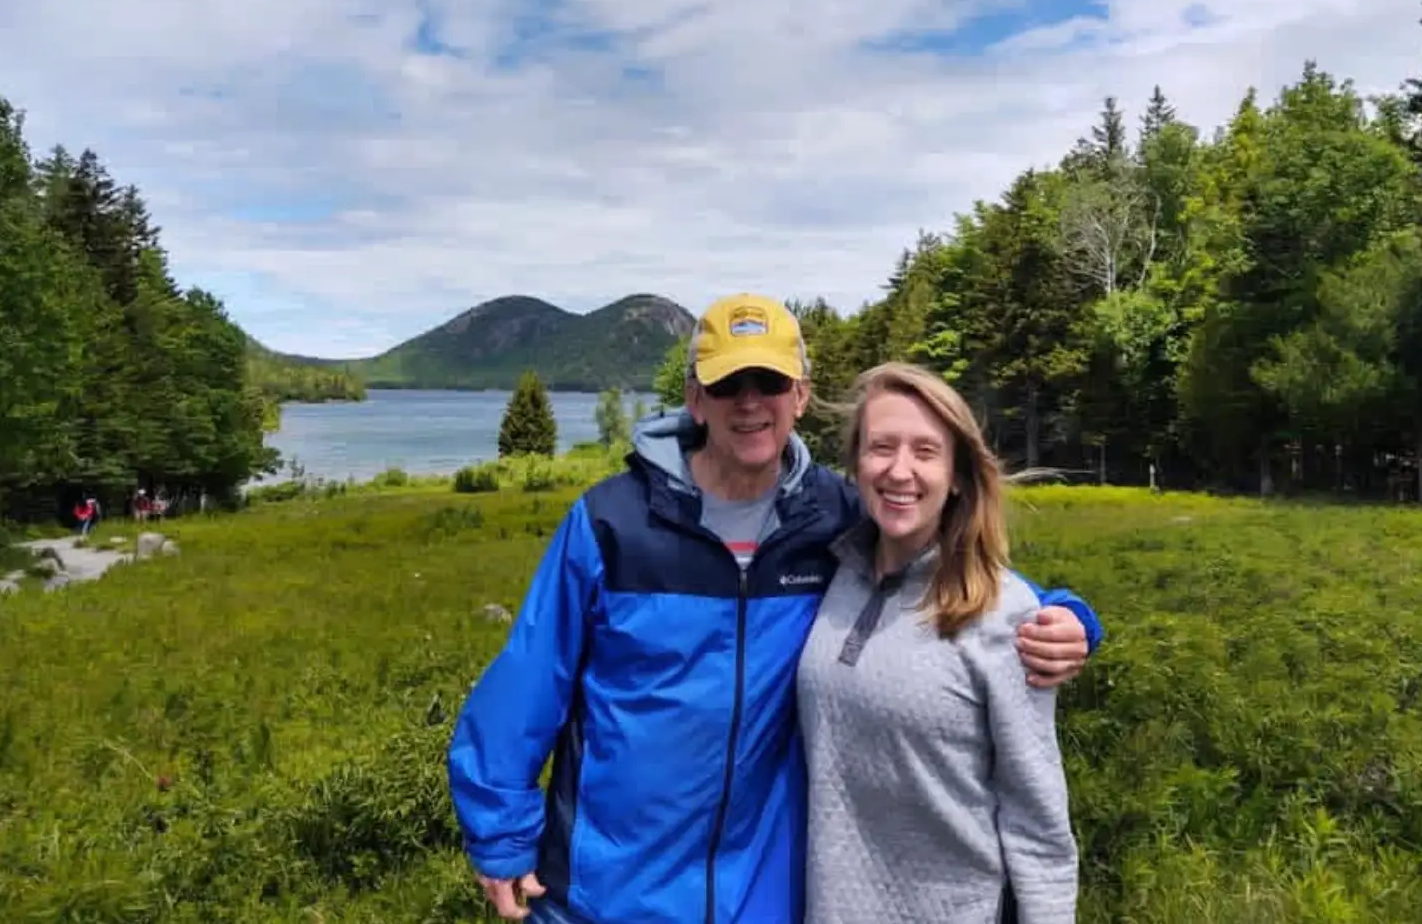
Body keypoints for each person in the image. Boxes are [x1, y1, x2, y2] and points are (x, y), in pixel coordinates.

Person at [446, 294, 1103, 924]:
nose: (751, 402)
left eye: (771, 382)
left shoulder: (838, 517)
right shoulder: (612, 524)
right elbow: (530, 677)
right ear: (696, 398)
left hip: (765, 897)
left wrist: (1064, 614)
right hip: (606, 896)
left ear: (801, 397)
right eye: (731, 384)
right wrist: (499, 831)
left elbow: (951, 564)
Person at [798, 362, 1078, 924]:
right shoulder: (838, 574)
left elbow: (1038, 827)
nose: (900, 470)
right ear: (855, 463)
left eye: (925, 451)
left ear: (956, 475)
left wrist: (1076, 619)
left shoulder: (1005, 614)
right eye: (882, 447)